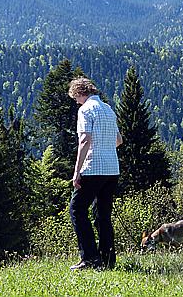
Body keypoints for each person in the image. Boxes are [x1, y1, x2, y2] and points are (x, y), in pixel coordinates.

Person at [68, 77, 123, 271]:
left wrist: (77, 172)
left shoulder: (85, 110)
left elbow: (84, 140)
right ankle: (108, 260)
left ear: (79, 93)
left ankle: (90, 257)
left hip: (93, 168)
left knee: (77, 210)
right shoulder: (108, 109)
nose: (76, 101)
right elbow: (118, 140)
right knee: (103, 215)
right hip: (112, 169)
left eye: (75, 97)